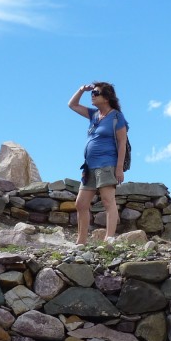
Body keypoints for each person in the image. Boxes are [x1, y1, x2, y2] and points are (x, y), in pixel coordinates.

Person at [67, 81, 128, 244]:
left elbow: (122, 142)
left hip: (107, 164)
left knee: (108, 201)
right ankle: (81, 241)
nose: (92, 96)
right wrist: (81, 89)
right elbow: (72, 105)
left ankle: (109, 238)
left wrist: (119, 168)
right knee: (81, 203)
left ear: (106, 97)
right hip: (89, 166)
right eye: (91, 93)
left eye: (95, 93)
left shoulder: (116, 117)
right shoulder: (93, 114)